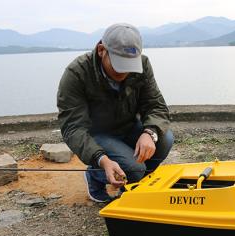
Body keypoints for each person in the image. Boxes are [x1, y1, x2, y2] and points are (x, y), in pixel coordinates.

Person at [57, 23, 174, 203]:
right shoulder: (77, 73)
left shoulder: (142, 65)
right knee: (134, 169)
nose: (125, 72)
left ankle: (133, 183)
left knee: (164, 139)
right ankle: (96, 177)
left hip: (128, 126)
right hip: (97, 135)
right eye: (119, 64)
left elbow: (156, 105)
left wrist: (150, 132)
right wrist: (101, 159)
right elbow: (73, 128)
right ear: (101, 50)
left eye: (130, 65)